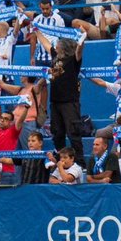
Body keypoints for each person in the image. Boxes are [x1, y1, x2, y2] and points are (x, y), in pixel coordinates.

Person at [41, 32, 87, 167]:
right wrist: (37, 31)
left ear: (64, 48)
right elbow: (46, 44)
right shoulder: (55, 58)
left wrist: (82, 38)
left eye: (58, 45)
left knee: (73, 133)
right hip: (55, 101)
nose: (55, 47)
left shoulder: (73, 60)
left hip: (70, 102)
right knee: (57, 133)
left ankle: (80, 163)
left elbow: (79, 49)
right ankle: (61, 162)